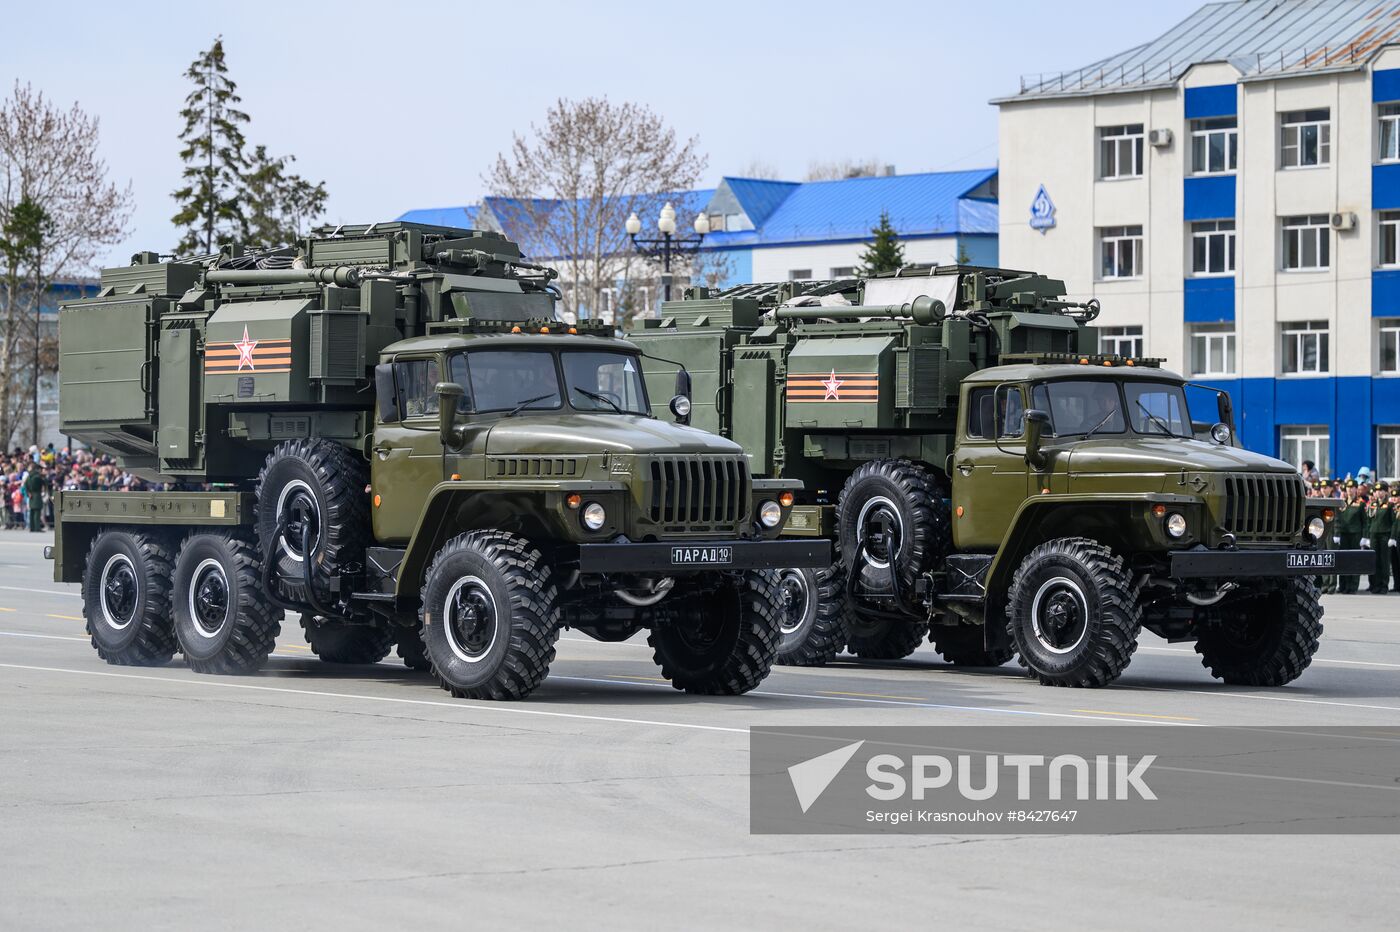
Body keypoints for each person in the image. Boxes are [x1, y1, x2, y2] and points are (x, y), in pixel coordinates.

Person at [1336, 481, 1364, 594]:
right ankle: (1343, 585)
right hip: (1343, 534)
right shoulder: (1342, 503)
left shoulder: (1360, 503)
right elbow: (1337, 520)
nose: (1350, 490)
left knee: (1354, 560)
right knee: (1343, 560)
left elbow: (1364, 522)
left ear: (1356, 489)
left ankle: (1353, 586)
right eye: (1348, 487)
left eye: (1352, 488)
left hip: (1355, 534)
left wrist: (1365, 537)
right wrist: (1337, 534)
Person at [1366, 485, 1394, 594]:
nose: (1379, 493)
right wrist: (1368, 536)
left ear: (1386, 492)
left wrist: (1391, 537)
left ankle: (1384, 585)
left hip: (1384, 535)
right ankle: (1376, 584)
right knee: (1375, 560)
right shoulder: (1373, 505)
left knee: (1384, 561)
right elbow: (1369, 521)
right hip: (1374, 535)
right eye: (1377, 491)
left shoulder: (1389, 505)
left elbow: (1393, 522)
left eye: (1381, 490)